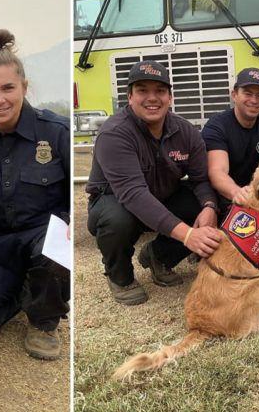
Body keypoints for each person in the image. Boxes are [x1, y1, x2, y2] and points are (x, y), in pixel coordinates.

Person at [0, 29, 69, 360]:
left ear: (24, 87)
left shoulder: (56, 131)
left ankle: (44, 320)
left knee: (55, 250)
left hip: (40, 237)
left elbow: (76, 206)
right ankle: (24, 290)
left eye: (8, 88)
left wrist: (64, 233)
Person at [86, 59, 222, 306]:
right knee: (116, 219)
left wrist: (210, 206)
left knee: (207, 203)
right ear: (129, 96)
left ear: (170, 97)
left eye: (160, 90)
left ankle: (158, 256)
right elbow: (133, 194)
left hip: (161, 195)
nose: (152, 98)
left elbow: (201, 179)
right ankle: (120, 277)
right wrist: (189, 234)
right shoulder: (114, 133)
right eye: (142, 90)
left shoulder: (185, 131)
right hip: (116, 201)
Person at [203, 67, 259, 219]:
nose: (254, 100)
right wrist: (238, 193)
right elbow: (217, 172)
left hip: (256, 194)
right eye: (248, 93)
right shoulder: (217, 125)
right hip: (224, 194)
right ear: (234, 95)